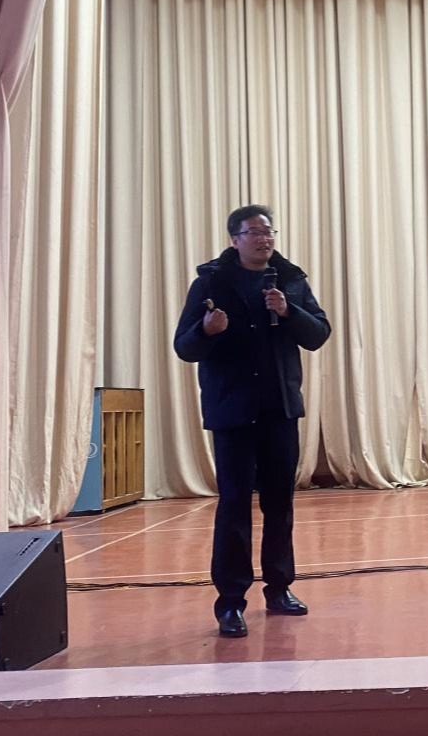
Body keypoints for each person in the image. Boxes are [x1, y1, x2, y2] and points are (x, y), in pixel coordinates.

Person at [173, 205, 332, 637]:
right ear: (235, 239)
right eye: (254, 232)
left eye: (268, 232)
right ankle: (230, 602)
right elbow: (184, 347)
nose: (264, 239)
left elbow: (318, 335)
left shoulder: (290, 280)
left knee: (280, 503)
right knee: (234, 505)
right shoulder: (210, 283)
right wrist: (206, 330)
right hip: (232, 412)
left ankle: (279, 588)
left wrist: (290, 310)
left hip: (279, 408)